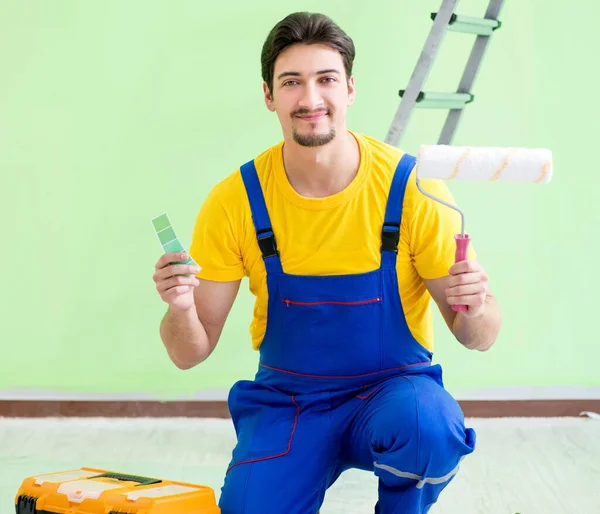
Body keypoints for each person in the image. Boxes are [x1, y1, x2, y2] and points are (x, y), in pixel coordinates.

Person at [153, 11, 502, 514]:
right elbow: (188, 352)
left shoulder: (412, 190)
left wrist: (477, 305)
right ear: (269, 95)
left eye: (326, 79)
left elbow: (480, 336)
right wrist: (181, 307)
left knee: (430, 429)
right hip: (289, 403)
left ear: (350, 89)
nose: (310, 98)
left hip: (394, 394)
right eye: (291, 82)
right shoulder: (236, 201)